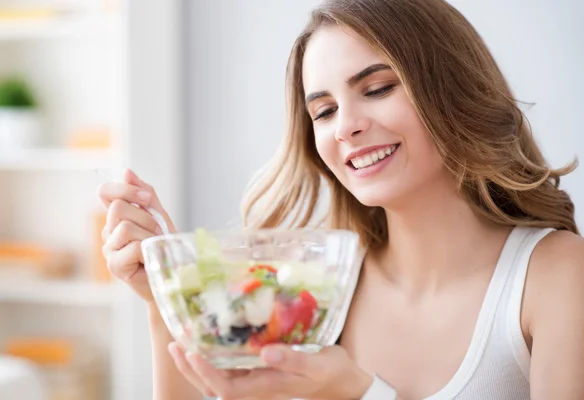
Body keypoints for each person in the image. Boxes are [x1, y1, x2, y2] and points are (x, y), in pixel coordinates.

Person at [98, 0, 584, 399]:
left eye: (377, 89)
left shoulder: (555, 277)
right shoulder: (319, 291)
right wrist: (164, 303)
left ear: (452, 90)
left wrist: (361, 394)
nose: (347, 126)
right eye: (325, 111)